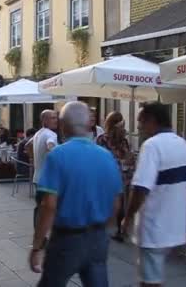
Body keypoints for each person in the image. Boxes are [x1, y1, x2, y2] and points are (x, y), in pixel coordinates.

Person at [29, 101, 122, 286]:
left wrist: (37, 246)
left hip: (67, 239)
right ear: (89, 124)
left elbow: (48, 205)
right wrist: (108, 228)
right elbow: (117, 200)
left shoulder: (58, 155)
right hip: (97, 238)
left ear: (63, 126)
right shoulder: (106, 156)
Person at [122, 102, 186, 287]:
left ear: (152, 120)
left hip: (154, 226)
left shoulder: (151, 146)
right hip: (174, 225)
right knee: (154, 277)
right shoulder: (183, 144)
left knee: (149, 281)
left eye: (141, 121)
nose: (138, 126)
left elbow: (140, 188)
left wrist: (128, 217)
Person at [96, 111, 135, 242]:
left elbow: (128, 157)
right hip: (108, 176)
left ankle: (118, 228)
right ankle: (110, 226)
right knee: (112, 202)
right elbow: (101, 160)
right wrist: (123, 161)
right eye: (121, 124)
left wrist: (129, 159)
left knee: (122, 203)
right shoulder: (102, 139)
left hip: (124, 177)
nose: (123, 127)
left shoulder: (123, 140)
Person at [26, 110, 58, 229]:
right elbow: (50, 146)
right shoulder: (51, 134)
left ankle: (39, 234)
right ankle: (45, 236)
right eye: (53, 118)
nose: (56, 120)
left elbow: (27, 145)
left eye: (56, 118)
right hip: (48, 180)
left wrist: (34, 160)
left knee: (40, 207)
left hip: (37, 177)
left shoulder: (38, 133)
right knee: (50, 209)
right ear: (44, 120)